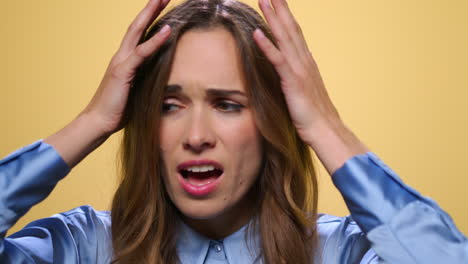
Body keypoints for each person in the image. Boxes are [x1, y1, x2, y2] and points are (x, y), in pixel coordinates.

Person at [0, 0, 467, 263]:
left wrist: (325, 126)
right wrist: (90, 123)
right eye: (169, 105)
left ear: (270, 122)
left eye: (227, 104)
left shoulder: (340, 252)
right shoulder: (83, 247)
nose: (196, 135)